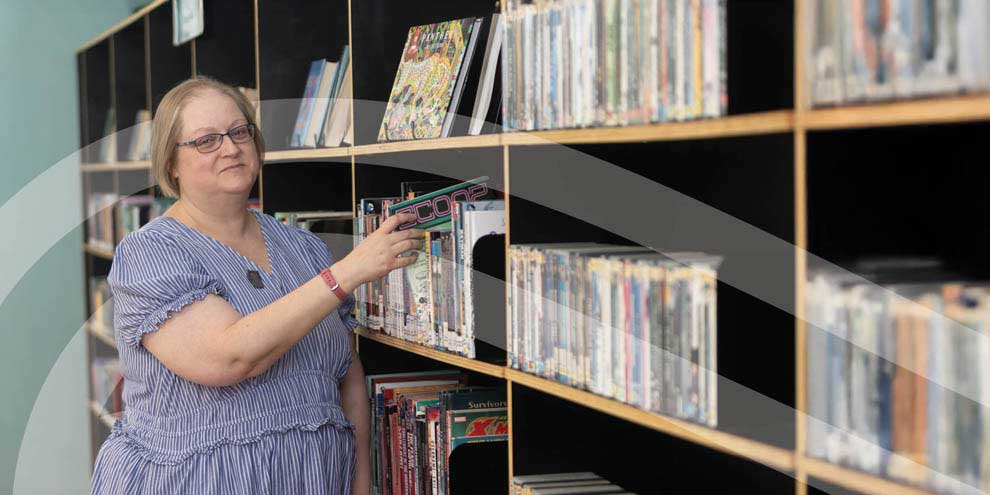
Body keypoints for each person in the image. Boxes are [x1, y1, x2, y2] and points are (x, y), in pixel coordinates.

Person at [90, 76, 422, 494]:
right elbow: (228, 358)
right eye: (207, 140)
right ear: (171, 163)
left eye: (239, 132)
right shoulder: (149, 253)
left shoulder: (303, 246)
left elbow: (347, 374)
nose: (230, 148)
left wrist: (360, 484)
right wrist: (347, 274)